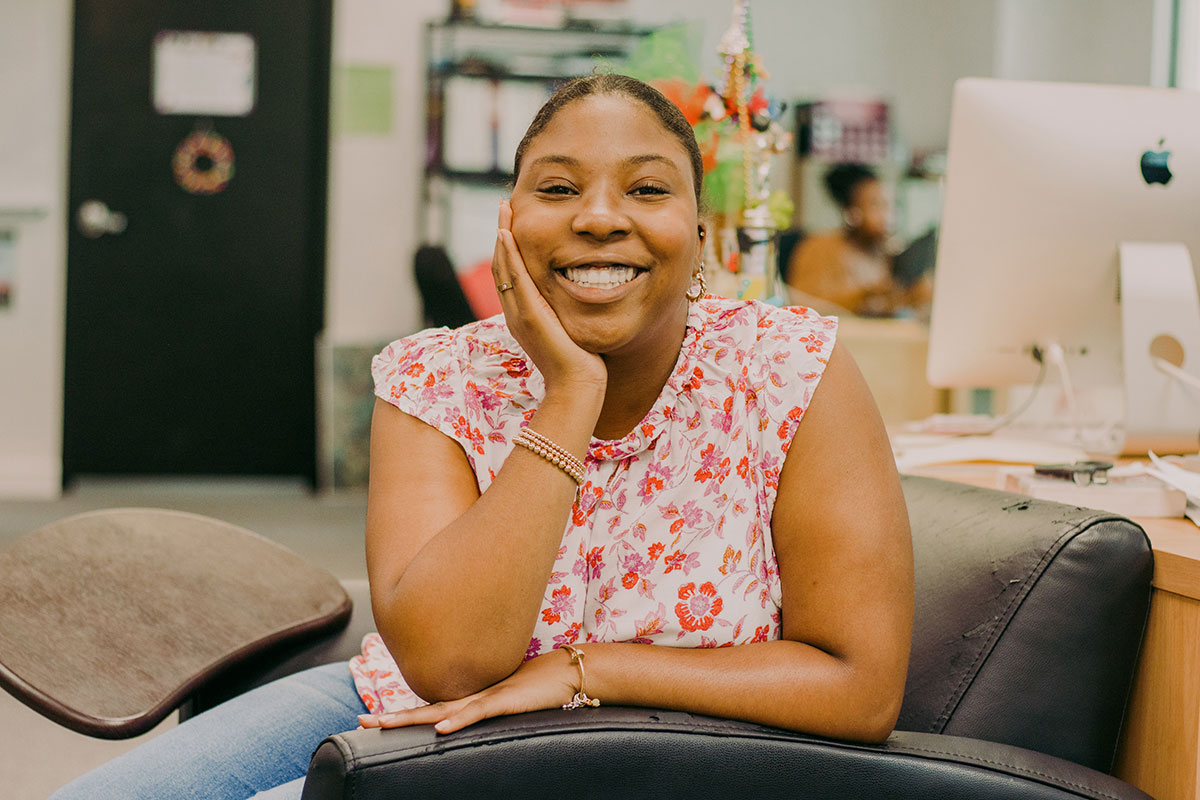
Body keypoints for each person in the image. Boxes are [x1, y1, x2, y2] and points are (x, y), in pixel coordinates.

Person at [52, 74, 913, 799]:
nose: (601, 218)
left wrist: (587, 670)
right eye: (558, 188)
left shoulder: (790, 368)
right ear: (509, 223)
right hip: (404, 712)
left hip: (656, 752)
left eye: (647, 189)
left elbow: (858, 685)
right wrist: (571, 392)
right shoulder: (435, 376)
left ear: (699, 235)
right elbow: (449, 664)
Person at [786, 163, 928, 317]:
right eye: (877, 205)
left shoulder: (889, 255)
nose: (888, 216)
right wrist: (861, 297)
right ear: (852, 213)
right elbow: (801, 305)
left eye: (893, 206)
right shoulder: (819, 247)